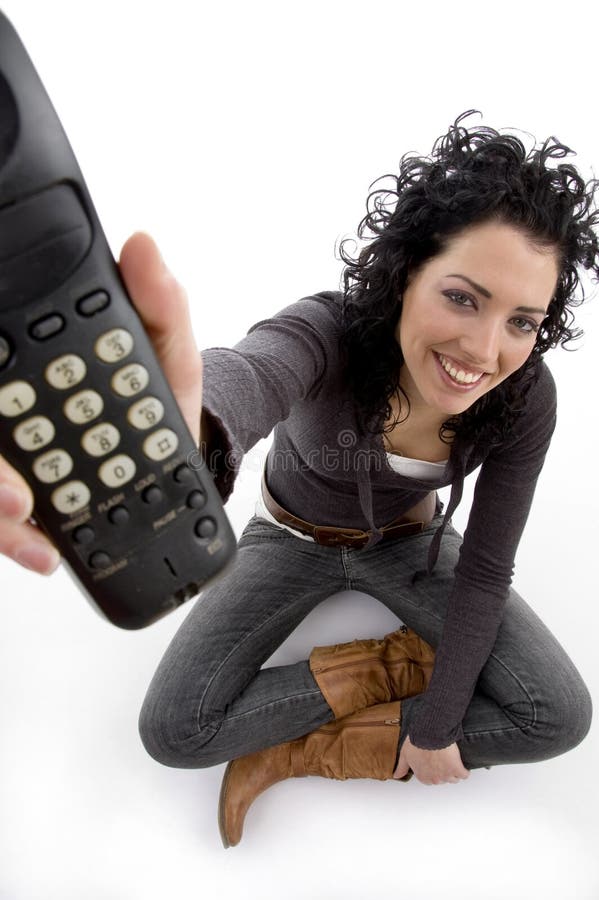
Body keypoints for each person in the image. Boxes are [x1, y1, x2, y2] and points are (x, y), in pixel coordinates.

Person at [0, 111, 594, 848]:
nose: (483, 348)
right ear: (408, 270)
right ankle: (384, 667)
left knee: (555, 716)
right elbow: (250, 371)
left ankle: (298, 751)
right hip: (288, 539)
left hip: (410, 546)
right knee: (175, 732)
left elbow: (484, 569)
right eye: (463, 297)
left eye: (522, 321)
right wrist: (184, 431)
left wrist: (439, 725)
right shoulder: (326, 332)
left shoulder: (524, 397)